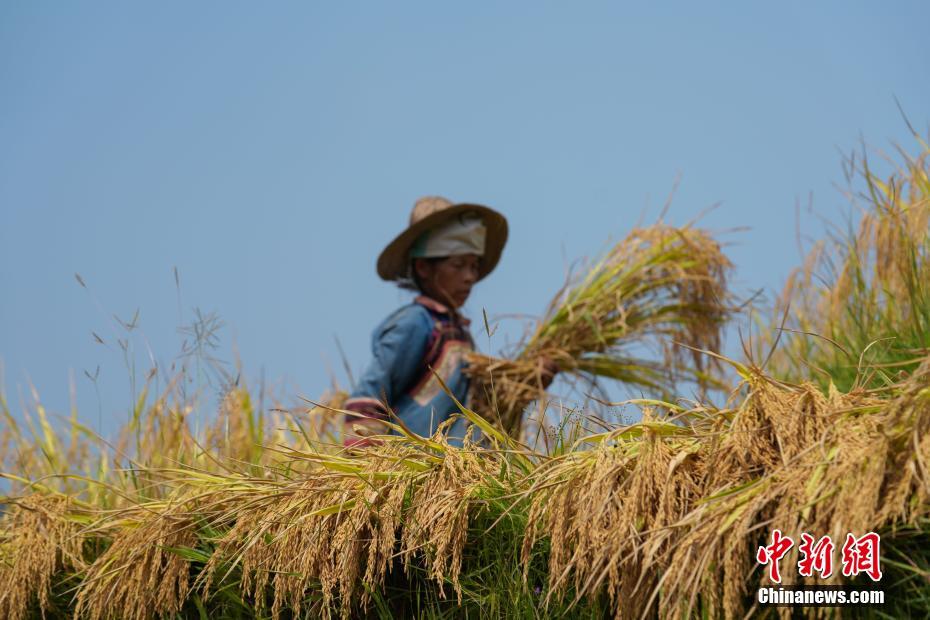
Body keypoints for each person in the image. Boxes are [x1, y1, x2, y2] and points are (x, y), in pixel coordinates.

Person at [343, 196, 510, 447]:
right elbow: (371, 392)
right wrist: (366, 467)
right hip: (410, 466)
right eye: (458, 265)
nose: (469, 277)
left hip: (455, 469)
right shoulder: (415, 324)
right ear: (423, 267)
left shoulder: (459, 333)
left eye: (474, 266)